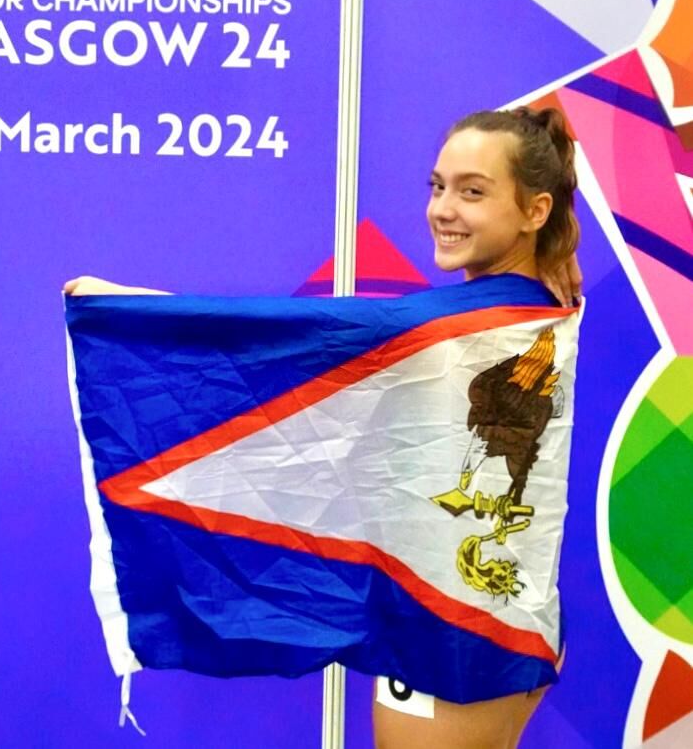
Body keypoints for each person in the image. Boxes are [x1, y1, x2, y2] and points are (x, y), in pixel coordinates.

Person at [65, 105, 581, 749]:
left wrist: (125, 313)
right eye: (438, 187)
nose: (443, 209)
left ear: (535, 210)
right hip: (512, 615)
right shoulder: (543, 307)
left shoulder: (453, 329)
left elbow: (280, 345)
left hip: (452, 631)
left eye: (472, 192)